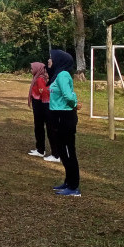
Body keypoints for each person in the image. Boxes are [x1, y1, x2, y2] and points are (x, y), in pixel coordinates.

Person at [48, 49, 82, 197]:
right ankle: (68, 182)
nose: (48, 61)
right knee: (62, 151)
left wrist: (75, 103)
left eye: (51, 58)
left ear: (58, 60)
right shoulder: (57, 75)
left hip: (65, 117)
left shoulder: (62, 75)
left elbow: (68, 96)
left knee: (68, 151)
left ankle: (74, 187)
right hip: (58, 116)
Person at [27, 62, 59, 162]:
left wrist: (43, 102)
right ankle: (40, 149)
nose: (31, 71)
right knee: (40, 127)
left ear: (37, 69)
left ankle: (52, 152)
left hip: (41, 105)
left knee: (43, 128)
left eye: (32, 69)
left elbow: (44, 92)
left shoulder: (40, 79)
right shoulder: (39, 78)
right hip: (41, 105)